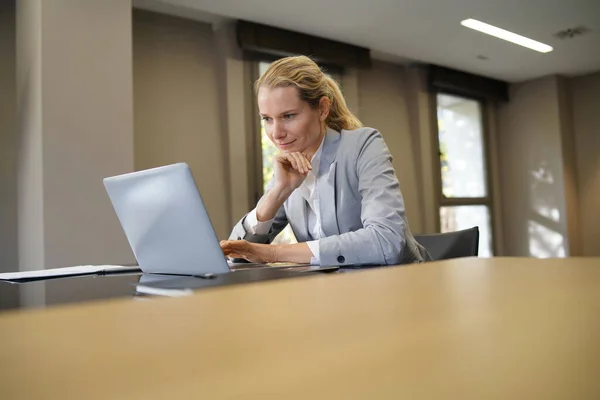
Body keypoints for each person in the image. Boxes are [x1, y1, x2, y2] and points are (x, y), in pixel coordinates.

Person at [220, 55, 430, 267]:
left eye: (288, 116)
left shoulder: (362, 145)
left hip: (399, 284)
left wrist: (273, 253)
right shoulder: (287, 167)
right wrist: (278, 192)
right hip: (334, 290)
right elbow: (237, 254)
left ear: (322, 109)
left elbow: (387, 241)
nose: (276, 133)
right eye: (267, 119)